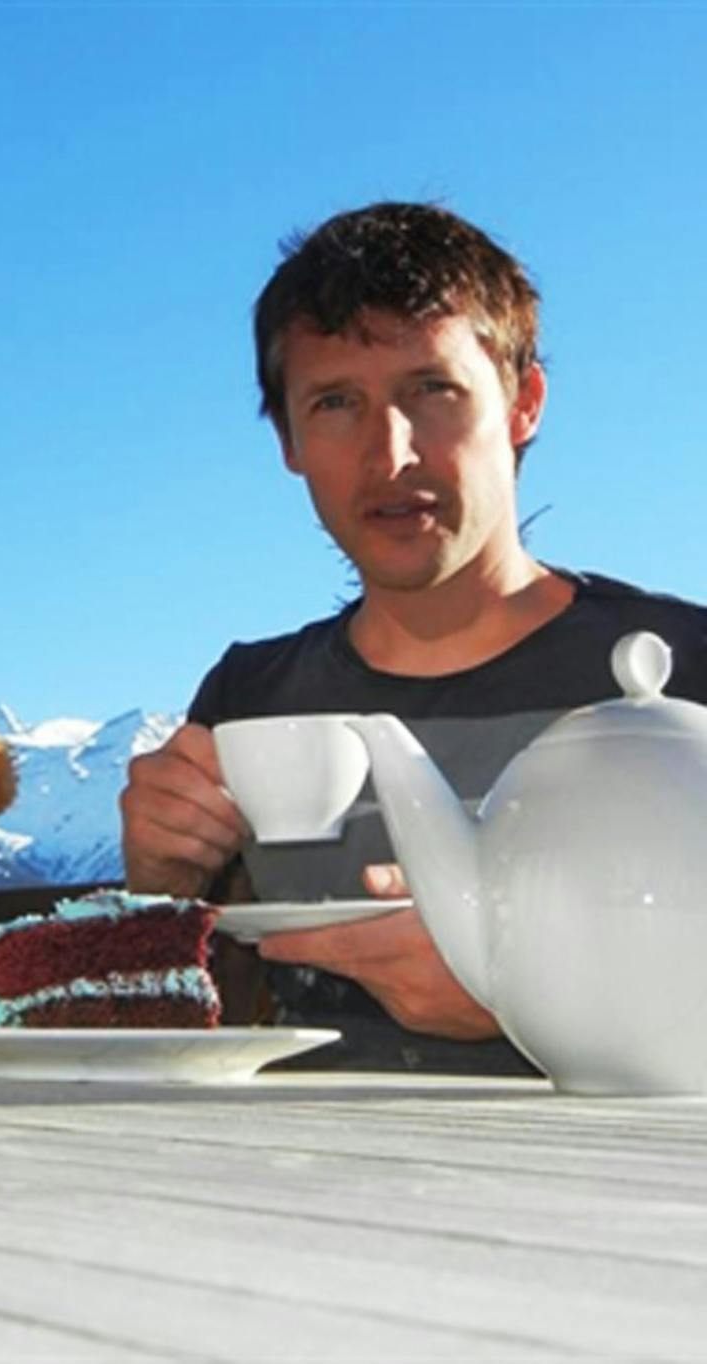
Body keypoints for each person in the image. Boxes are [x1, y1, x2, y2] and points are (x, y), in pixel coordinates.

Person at [120, 201, 707, 1073]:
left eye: (432, 390)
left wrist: (532, 991)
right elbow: (171, 1014)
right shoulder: (250, 698)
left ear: (523, 403)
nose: (389, 454)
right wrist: (159, 886)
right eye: (334, 403)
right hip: (288, 1153)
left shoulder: (689, 668)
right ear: (288, 441)